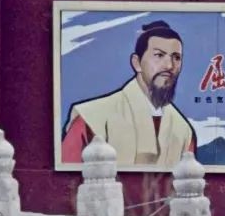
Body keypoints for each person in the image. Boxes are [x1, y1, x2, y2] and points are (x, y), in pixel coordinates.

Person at [62, 20, 196, 166]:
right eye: (159, 55)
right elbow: (66, 175)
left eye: (176, 57)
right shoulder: (92, 118)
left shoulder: (183, 131)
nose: (169, 65)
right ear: (137, 62)